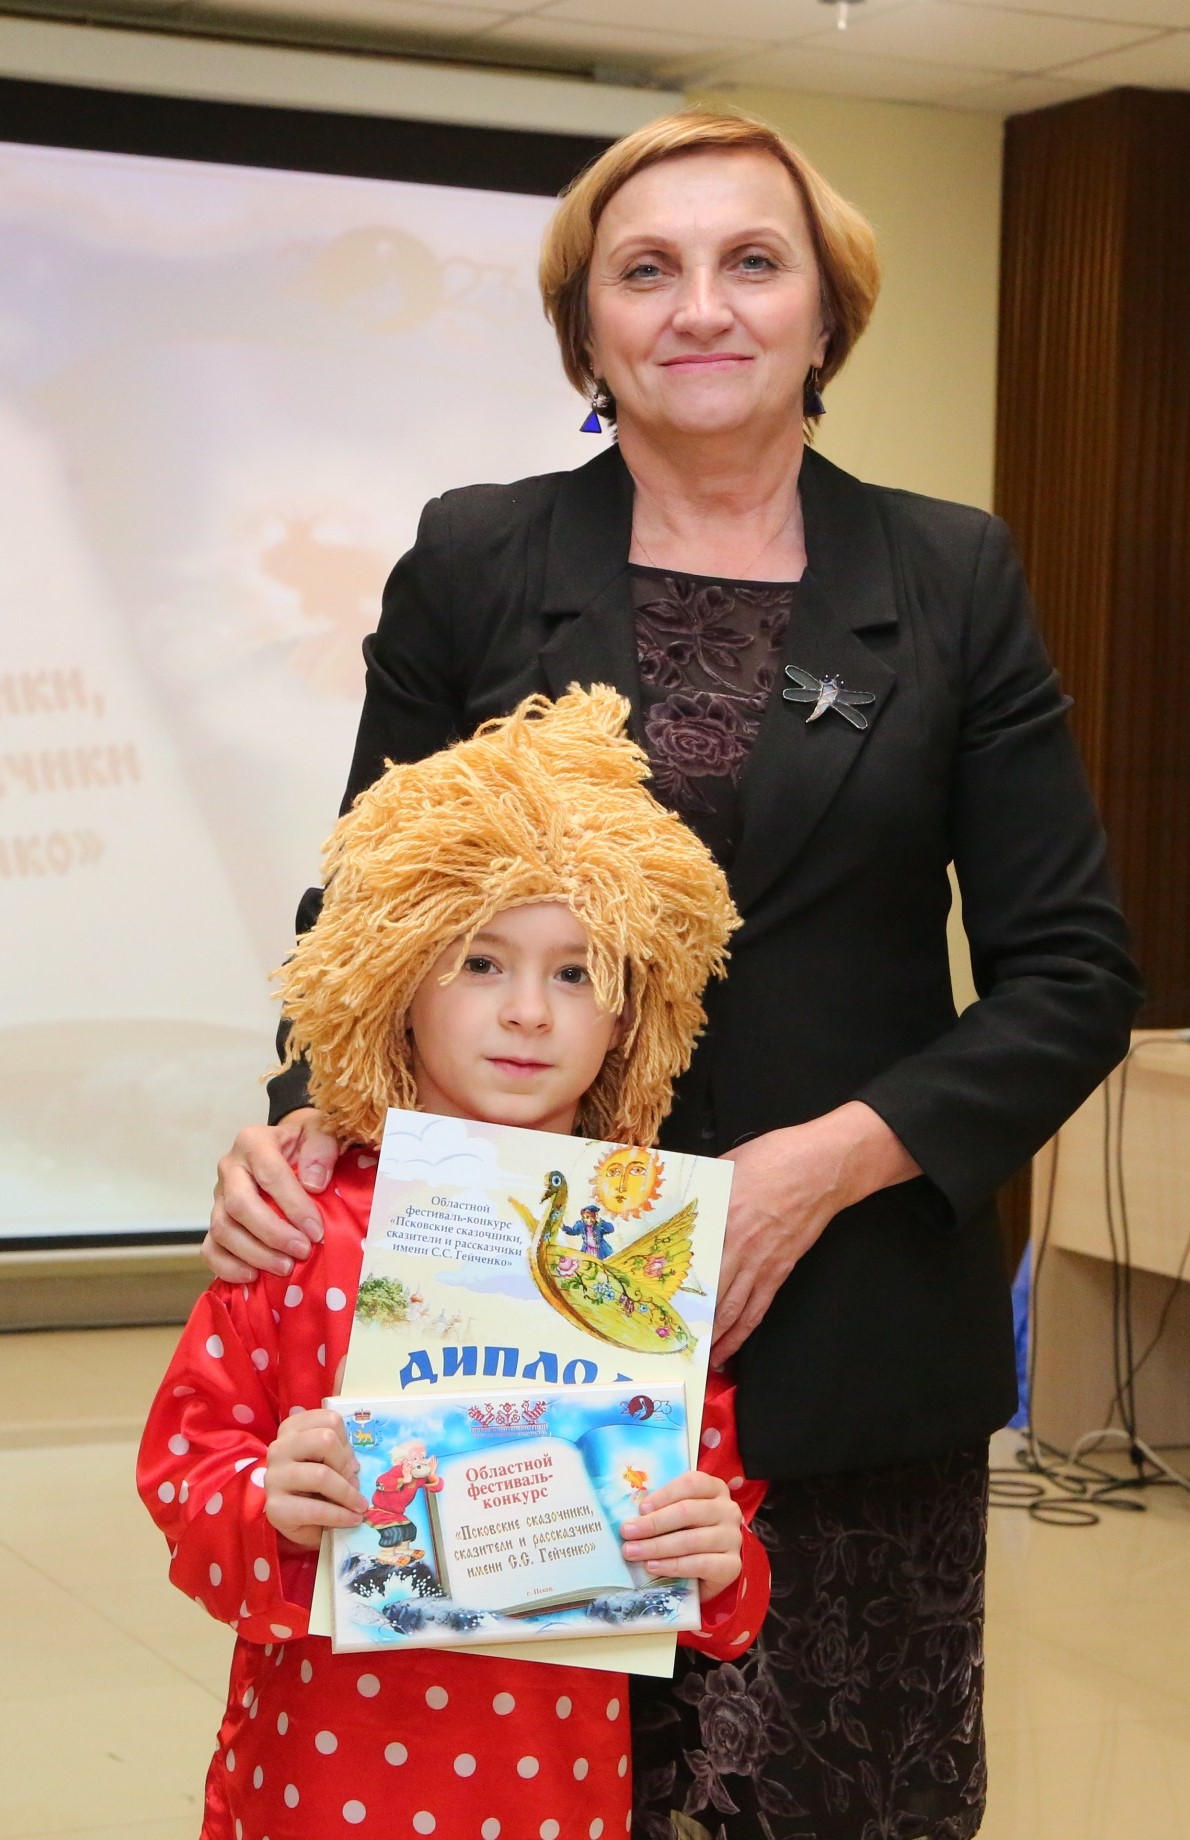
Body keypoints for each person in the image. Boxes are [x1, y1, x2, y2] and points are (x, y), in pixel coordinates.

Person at [201, 110, 1143, 1838]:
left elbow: (1073, 971)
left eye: (750, 262)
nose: (700, 306)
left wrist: (816, 1170)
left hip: (847, 1335)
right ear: (587, 326)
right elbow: (369, 920)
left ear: (826, 312)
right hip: (506, 1353)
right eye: (646, 269)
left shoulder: (949, 574)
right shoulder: (479, 557)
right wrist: (298, 1128)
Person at [139, 687, 769, 1840]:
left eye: (576, 972)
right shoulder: (299, 1223)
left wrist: (717, 1557)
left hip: (555, 1794)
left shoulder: (639, 1252)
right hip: (313, 1789)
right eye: (480, 961)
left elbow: (711, 1531)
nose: (528, 1011)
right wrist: (269, 1504)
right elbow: (187, 1475)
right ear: (396, 978)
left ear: (631, 1012)